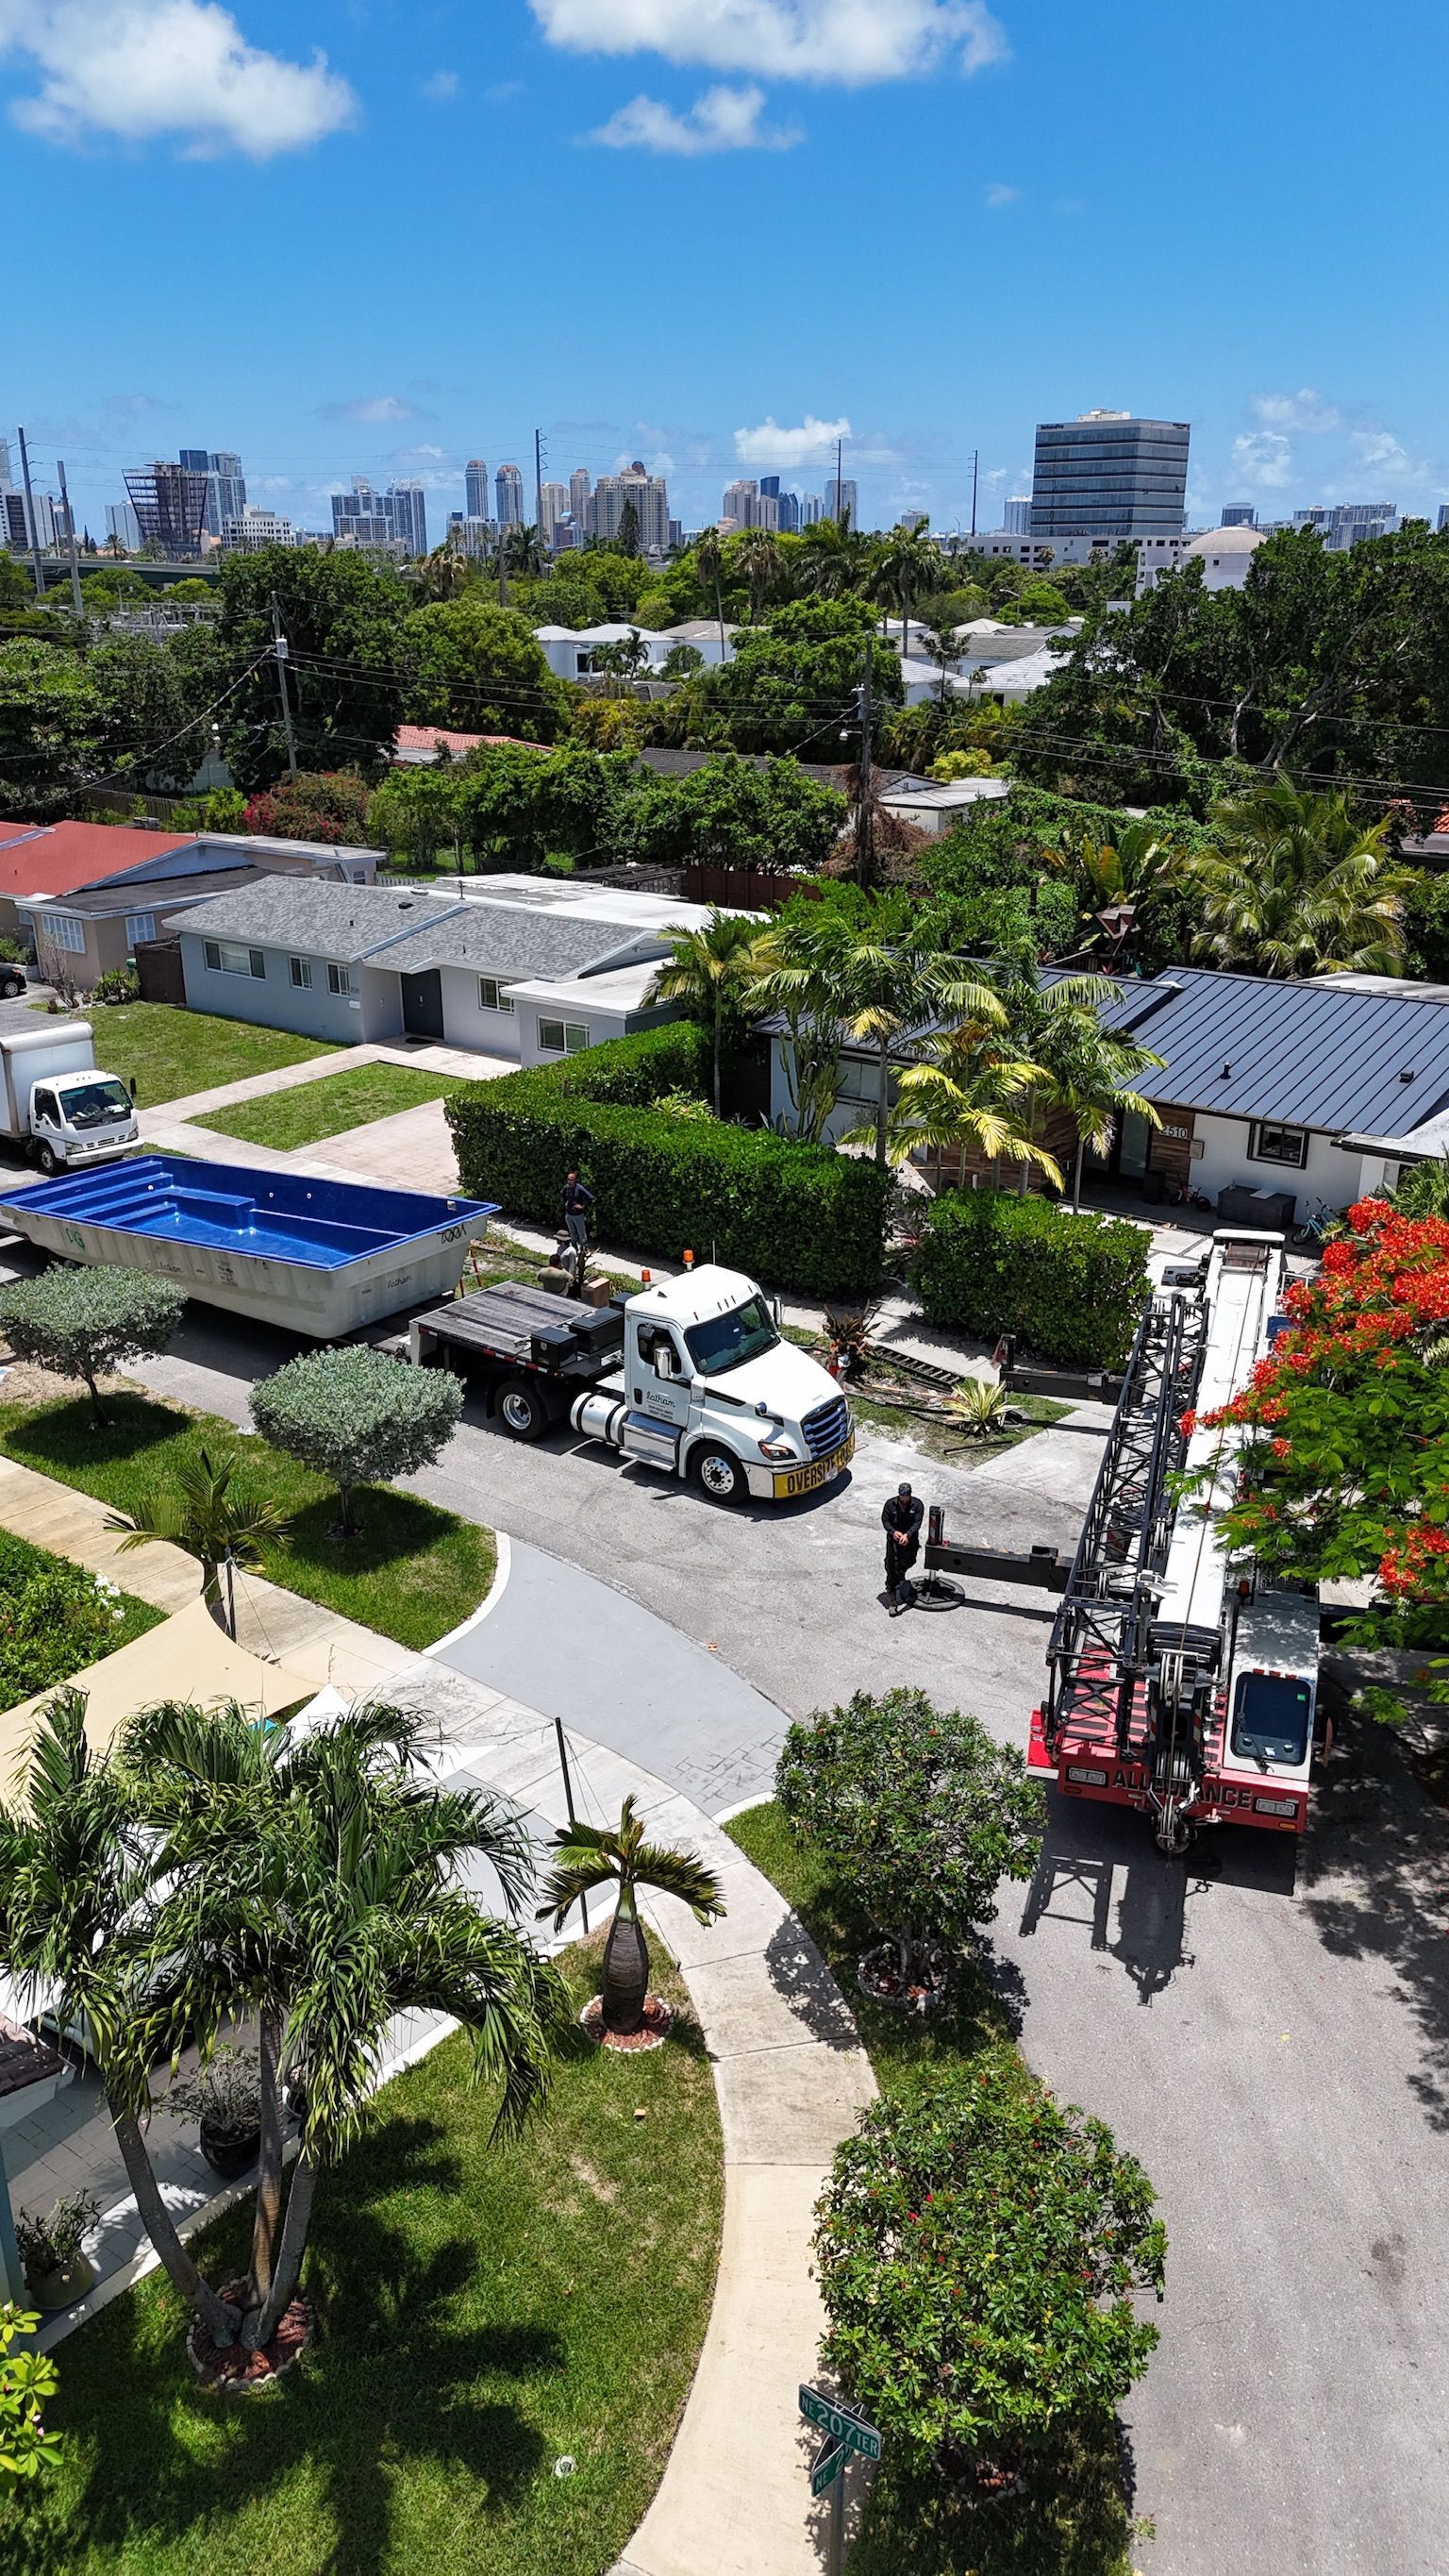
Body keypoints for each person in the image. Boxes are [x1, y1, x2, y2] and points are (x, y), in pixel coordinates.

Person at [881, 1481, 924, 1615]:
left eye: (906, 1496)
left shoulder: (917, 1505)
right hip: (893, 1540)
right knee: (892, 1567)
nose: (904, 1499)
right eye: (902, 1496)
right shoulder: (890, 1504)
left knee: (909, 1561)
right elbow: (885, 1521)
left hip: (910, 1541)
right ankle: (893, 1602)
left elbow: (917, 1522)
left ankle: (901, 1577)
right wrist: (893, 1532)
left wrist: (908, 1535)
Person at [562, 1170, 594, 1261]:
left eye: (571, 1179)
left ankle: (584, 1250)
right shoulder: (566, 1187)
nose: (569, 1181)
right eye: (568, 1179)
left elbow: (590, 1197)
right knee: (572, 1233)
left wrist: (583, 1206)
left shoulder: (579, 1188)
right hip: (569, 1214)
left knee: (581, 1233)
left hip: (578, 1215)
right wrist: (566, 1203)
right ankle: (574, 1249)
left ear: (575, 1180)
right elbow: (563, 1195)